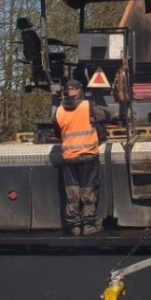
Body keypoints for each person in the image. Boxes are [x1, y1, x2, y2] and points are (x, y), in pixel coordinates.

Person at [53, 80, 108, 236]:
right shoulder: (88, 106)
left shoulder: (58, 111)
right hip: (88, 156)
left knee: (72, 193)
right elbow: (104, 116)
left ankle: (74, 227)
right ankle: (89, 225)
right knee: (88, 191)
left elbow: (58, 133)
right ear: (79, 91)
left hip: (69, 158)